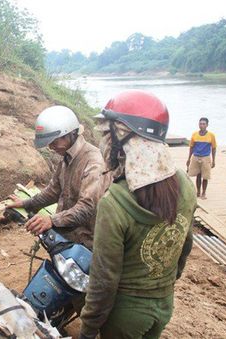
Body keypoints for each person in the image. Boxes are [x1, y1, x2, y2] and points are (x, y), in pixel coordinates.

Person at [79, 90, 197, 339]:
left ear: (123, 136)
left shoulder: (114, 202)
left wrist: (88, 329)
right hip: (164, 305)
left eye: (105, 133)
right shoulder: (185, 183)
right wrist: (164, 285)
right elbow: (185, 243)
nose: (103, 141)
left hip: (125, 316)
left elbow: (104, 280)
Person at [7, 105, 108, 250]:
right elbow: (53, 191)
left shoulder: (93, 163)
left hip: (88, 242)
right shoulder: (66, 157)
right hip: (68, 237)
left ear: (71, 134)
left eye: (54, 142)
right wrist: (26, 204)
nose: (51, 147)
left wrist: (52, 220)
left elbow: (87, 207)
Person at [186, 117, 217, 199]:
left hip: (206, 157)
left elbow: (213, 148)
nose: (202, 125)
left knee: (205, 176)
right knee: (198, 175)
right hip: (196, 156)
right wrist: (189, 159)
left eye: (203, 124)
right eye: (200, 124)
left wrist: (213, 160)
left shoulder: (211, 135)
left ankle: (204, 193)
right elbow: (191, 147)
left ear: (207, 125)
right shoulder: (194, 134)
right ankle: (198, 192)